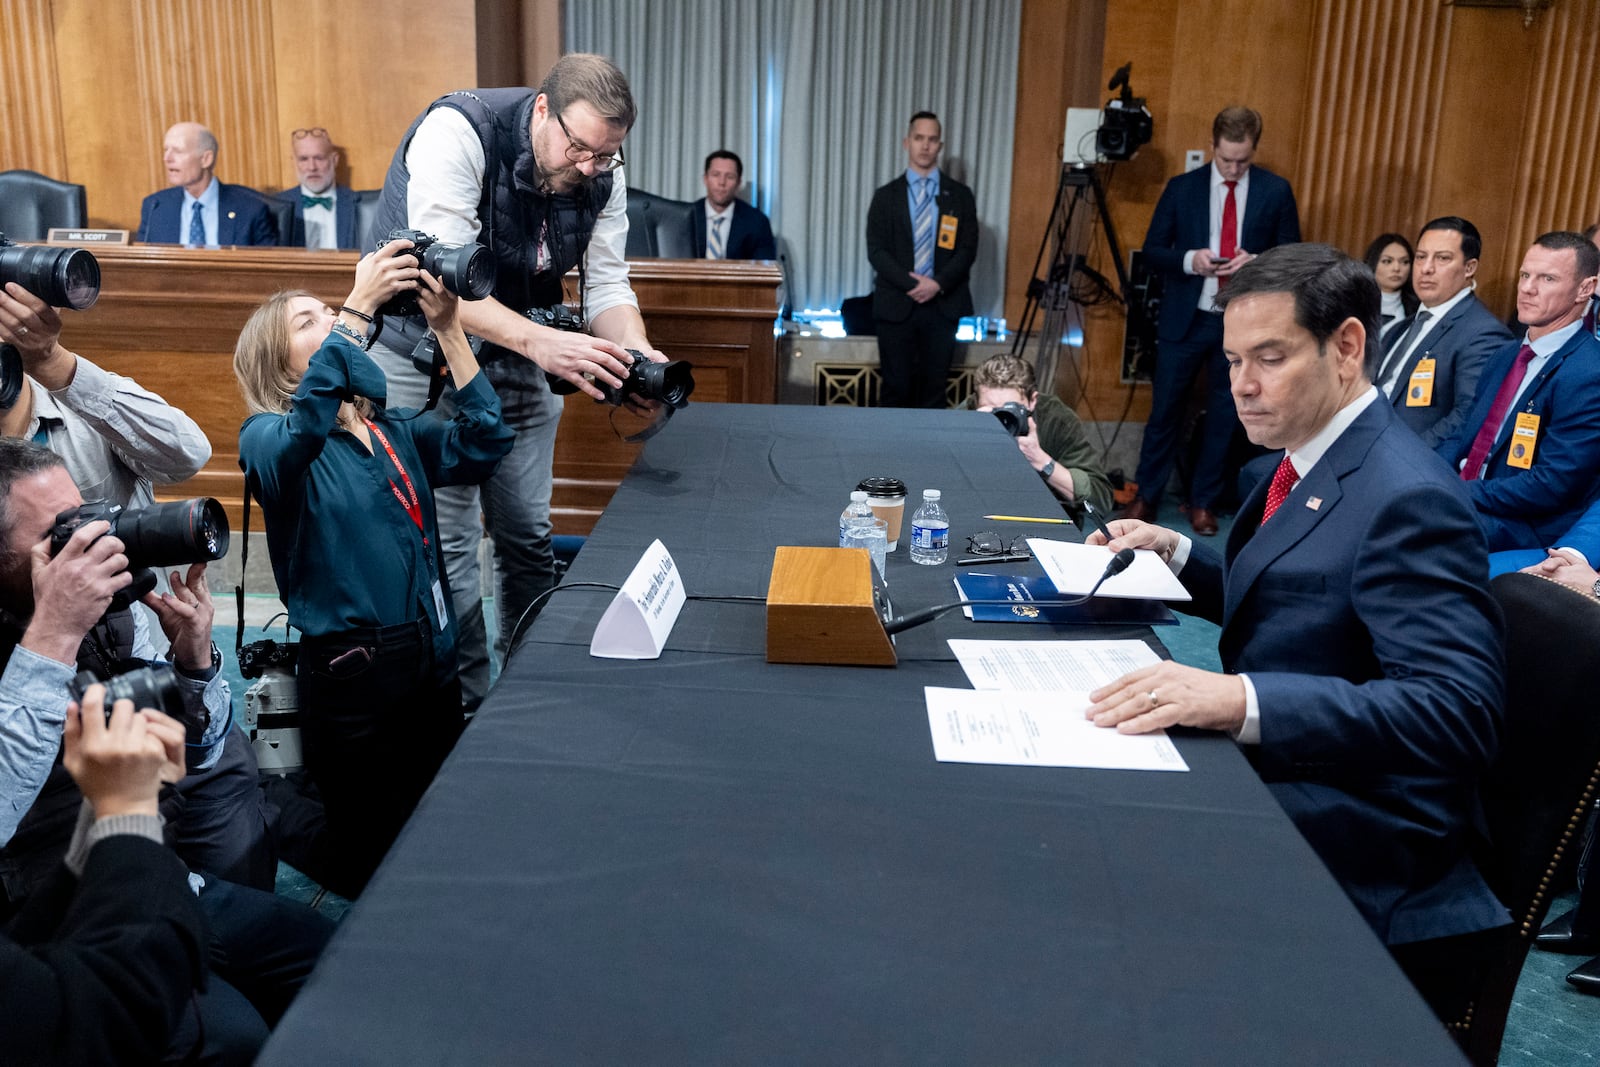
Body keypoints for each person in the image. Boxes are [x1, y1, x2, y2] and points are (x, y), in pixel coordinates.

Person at [1084, 243, 1508, 1023]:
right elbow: (1301, 597)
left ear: (1346, 346)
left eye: (1269, 358)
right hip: (1303, 764)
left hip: (1374, 820)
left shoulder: (1408, 496)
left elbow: (1456, 710)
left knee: (1115, 838)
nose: (1241, 386)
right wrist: (1178, 552)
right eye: (1234, 359)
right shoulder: (1302, 459)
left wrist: (1239, 697)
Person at [364, 53, 667, 713]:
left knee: (528, 532)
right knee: (445, 543)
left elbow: (609, 286)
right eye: (578, 146)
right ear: (540, 109)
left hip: (521, 343)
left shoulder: (601, 164)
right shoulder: (459, 130)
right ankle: (467, 706)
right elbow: (441, 283)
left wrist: (638, 352)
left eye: (606, 156)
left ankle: (529, 694)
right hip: (421, 350)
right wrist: (547, 344)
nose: (589, 166)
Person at [235, 239, 513, 896]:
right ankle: (271, 804)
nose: (332, 320)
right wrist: (357, 306)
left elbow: (486, 440)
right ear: (280, 363)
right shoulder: (266, 440)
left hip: (432, 653)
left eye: (329, 309)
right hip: (353, 676)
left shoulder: (392, 429)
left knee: (437, 827)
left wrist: (449, 329)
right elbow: (303, 432)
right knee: (370, 864)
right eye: (310, 322)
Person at [3, 683, 208, 1065]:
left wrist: (103, 817)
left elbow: (20, 953)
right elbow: (114, 1016)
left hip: (115, 883)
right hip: (137, 931)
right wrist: (129, 810)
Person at [1124, 105, 1301, 536]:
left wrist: (1255, 262)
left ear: (1254, 150)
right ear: (1212, 147)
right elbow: (1152, 251)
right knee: (1165, 409)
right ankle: (1146, 494)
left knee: (1227, 414)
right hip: (1186, 317)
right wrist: (1191, 259)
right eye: (1226, 160)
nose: (1234, 168)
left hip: (1242, 324)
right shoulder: (1183, 188)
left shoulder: (1274, 191)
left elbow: (1292, 253)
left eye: (1242, 160)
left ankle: (1202, 501)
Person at [1435, 231, 1600, 553]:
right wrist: (1425, 476)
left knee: (1415, 532)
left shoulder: (1589, 373)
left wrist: (1454, 491)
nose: (1527, 288)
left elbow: (1551, 485)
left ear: (1586, 288)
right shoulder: (1505, 355)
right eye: (1525, 275)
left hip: (1526, 524)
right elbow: (1461, 435)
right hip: (1471, 499)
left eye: (1547, 278)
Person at [865, 110, 979, 409]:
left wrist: (937, 284)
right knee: (896, 389)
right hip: (896, 304)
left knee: (933, 392)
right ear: (907, 142)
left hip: (942, 305)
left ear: (940, 145)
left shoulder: (960, 196)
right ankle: (888, 456)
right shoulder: (885, 196)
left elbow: (967, 249)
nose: (925, 146)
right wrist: (912, 283)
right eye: (919, 138)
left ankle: (930, 457)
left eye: (932, 139)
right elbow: (876, 250)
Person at [1370, 216, 1512, 450]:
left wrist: (1405, 455)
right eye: (1421, 257)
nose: (1426, 269)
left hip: (1412, 465)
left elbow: (1468, 416)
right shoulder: (1400, 328)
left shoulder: (1483, 334)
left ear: (1470, 268)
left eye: (1442, 258)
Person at [970, 353, 1114, 516]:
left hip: (1044, 519)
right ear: (975, 403)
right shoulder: (963, 417)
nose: (1001, 419)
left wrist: (1040, 460)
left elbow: (1101, 500)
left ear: (1033, 401)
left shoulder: (1056, 420)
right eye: (991, 410)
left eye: (1010, 409)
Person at [136, 122, 277, 247]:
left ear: (206, 159)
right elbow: (142, 267)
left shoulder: (250, 210)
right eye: (166, 150)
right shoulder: (155, 208)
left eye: (178, 151)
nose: (167, 158)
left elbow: (268, 271)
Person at [273, 127, 360, 250]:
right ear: (294, 162)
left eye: (319, 158)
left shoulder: (358, 204)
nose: (312, 167)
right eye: (303, 159)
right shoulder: (277, 206)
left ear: (334, 160)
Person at [686, 150, 776, 260]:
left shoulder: (757, 222)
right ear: (705, 179)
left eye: (729, 177)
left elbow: (764, 271)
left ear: (738, 183)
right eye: (716, 175)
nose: (722, 182)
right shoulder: (686, 217)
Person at [1362, 231, 1416, 339]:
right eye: (1387, 261)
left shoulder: (1417, 308)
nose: (1396, 268)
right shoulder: (1353, 303)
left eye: (1404, 262)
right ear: (1372, 263)